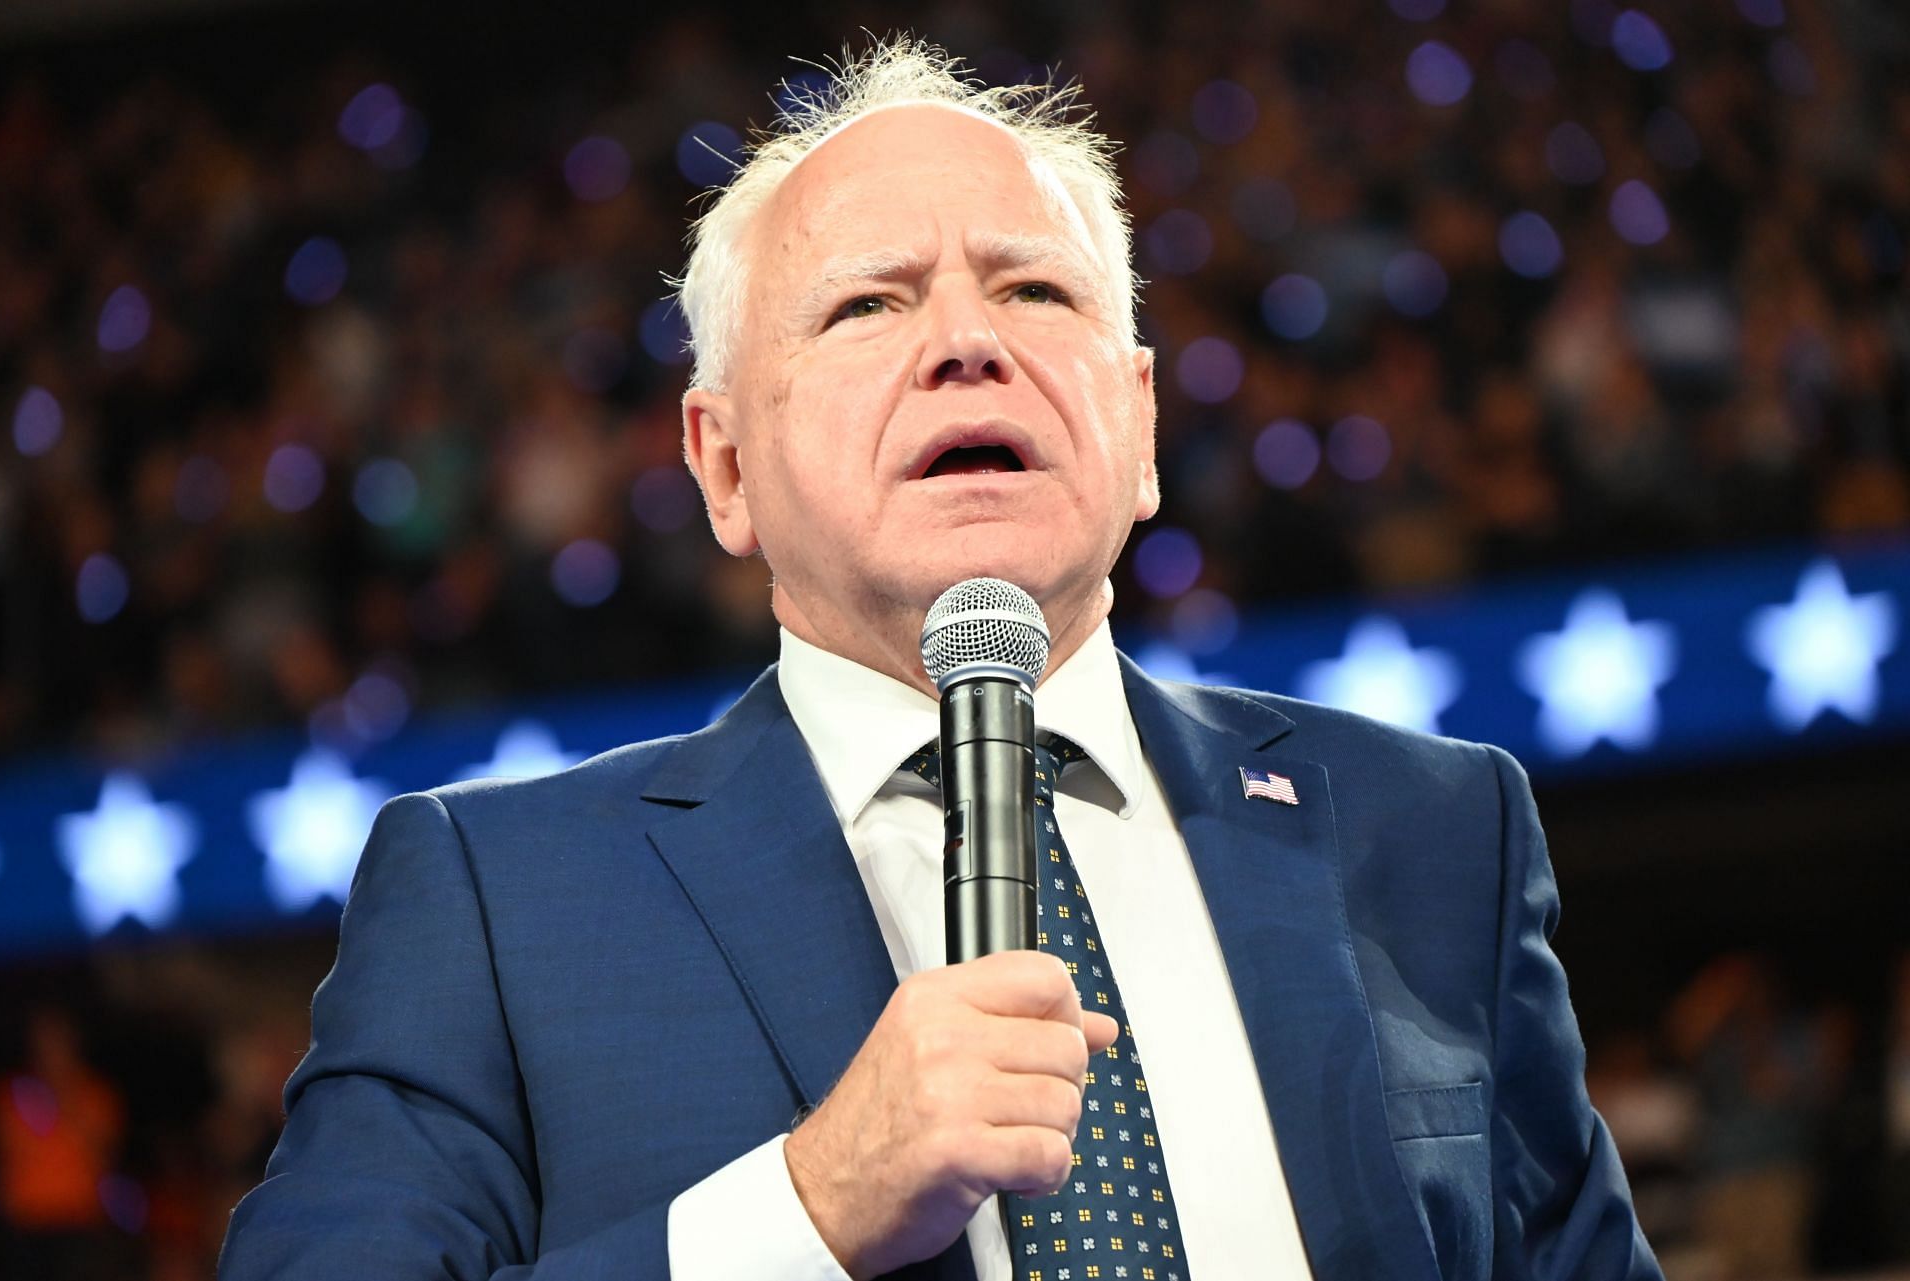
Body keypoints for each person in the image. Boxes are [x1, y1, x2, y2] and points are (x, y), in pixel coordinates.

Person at [219, 40, 1660, 1280]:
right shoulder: (496, 898)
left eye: (1036, 292)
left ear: (1142, 424)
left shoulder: (1435, 829)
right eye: (869, 304)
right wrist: (807, 1206)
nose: (968, 341)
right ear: (723, 464)